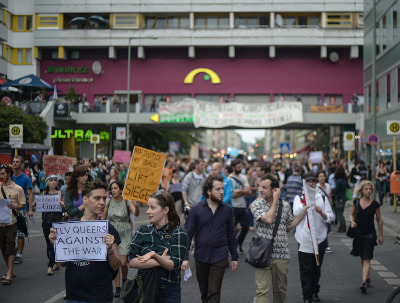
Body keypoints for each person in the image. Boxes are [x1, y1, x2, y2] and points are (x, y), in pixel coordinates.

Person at [49, 180, 121, 302]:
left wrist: (109, 250)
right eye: (97, 198)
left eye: (104, 198)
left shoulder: (108, 228)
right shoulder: (70, 227)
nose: (102, 202)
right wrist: (56, 245)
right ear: (85, 199)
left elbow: (115, 266)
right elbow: (63, 264)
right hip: (74, 295)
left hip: (100, 295)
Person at [251, 174, 309, 303]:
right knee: (261, 290)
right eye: (260, 186)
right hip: (262, 253)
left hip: (281, 254)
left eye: (264, 187)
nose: (260, 190)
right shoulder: (257, 204)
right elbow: (268, 219)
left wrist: (303, 213)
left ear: (274, 190)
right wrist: (276, 201)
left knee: (280, 290)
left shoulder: (286, 205)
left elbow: (289, 226)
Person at [182, 175, 238, 303]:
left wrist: (234, 256)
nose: (222, 192)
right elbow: (188, 234)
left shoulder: (227, 209)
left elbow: (231, 233)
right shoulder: (196, 209)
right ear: (208, 191)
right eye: (218, 189)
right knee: (205, 292)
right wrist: (185, 258)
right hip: (201, 255)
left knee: (214, 292)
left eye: (222, 189)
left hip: (220, 255)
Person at [129, 190, 188, 303]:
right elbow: (131, 261)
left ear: (165, 209)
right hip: (145, 287)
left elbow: (174, 265)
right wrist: (161, 260)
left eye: (152, 208)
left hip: (169, 290)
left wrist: (153, 255)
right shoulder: (143, 230)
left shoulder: (179, 233)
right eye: (148, 207)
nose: (147, 211)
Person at [293, 173, 334, 303]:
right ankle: (306, 295)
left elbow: (330, 218)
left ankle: (315, 291)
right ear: (304, 183)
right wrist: (305, 207)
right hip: (304, 239)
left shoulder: (322, 197)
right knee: (305, 269)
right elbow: (295, 213)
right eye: (308, 181)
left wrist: (321, 212)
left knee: (316, 267)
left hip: (319, 238)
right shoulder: (299, 198)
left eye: (313, 181)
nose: (311, 183)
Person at [103, 180, 140, 298]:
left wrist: (137, 205)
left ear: (121, 190)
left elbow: (136, 213)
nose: (113, 190)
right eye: (111, 188)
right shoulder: (108, 202)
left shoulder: (127, 201)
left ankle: (125, 280)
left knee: (123, 263)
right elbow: (103, 218)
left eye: (115, 188)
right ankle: (118, 287)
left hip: (125, 234)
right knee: (115, 261)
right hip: (112, 234)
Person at [349, 181, 383, 294]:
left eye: (370, 189)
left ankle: (363, 282)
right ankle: (367, 276)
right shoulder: (356, 202)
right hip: (359, 234)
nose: (368, 191)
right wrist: (352, 221)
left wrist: (381, 235)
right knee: (362, 257)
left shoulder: (375, 204)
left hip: (370, 235)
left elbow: (379, 220)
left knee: (366, 258)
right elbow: (351, 214)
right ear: (362, 190)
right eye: (366, 189)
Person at [0, 164, 26, 285]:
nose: (1, 176)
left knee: (10, 246)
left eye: (3, 173)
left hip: (12, 222)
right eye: (0, 174)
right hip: (0, 222)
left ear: (9, 173)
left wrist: (14, 206)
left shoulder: (18, 189)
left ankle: (9, 272)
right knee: (3, 248)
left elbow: (22, 204)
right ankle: (11, 270)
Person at [40, 175, 65, 275]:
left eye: (55, 180)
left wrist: (63, 205)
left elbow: (65, 209)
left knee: (53, 244)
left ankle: (50, 266)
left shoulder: (60, 193)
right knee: (48, 244)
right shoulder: (43, 194)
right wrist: (34, 204)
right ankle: (55, 262)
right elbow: (38, 205)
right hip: (46, 222)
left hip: (57, 222)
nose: (54, 182)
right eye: (51, 180)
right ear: (47, 183)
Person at [12, 156, 34, 265]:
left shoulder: (26, 178)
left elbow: (30, 195)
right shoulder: (9, 177)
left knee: (20, 233)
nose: (15, 164)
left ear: (21, 164)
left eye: (17, 162)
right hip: (10, 209)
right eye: (14, 162)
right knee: (10, 232)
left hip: (22, 209)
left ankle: (19, 254)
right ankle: (15, 247)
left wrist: (30, 210)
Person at [229, 159, 251, 253]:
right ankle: (231, 247)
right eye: (238, 167)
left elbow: (249, 192)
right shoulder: (229, 179)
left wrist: (239, 191)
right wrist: (243, 192)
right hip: (233, 206)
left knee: (246, 226)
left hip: (242, 206)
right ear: (233, 167)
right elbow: (231, 194)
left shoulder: (243, 177)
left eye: (241, 167)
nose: (240, 168)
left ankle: (239, 243)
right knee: (232, 229)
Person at [316, 170, 333, 253]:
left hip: (327, 208)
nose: (322, 178)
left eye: (323, 176)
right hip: (319, 210)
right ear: (317, 178)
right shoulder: (316, 187)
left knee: (328, 228)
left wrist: (330, 207)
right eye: (320, 176)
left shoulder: (328, 186)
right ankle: (325, 245)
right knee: (324, 227)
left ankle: (324, 243)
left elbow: (329, 197)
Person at [333, 166, 349, 232]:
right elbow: (348, 186)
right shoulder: (345, 180)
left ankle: (342, 227)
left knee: (339, 214)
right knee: (341, 213)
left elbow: (336, 190)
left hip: (338, 198)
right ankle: (342, 226)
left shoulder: (338, 180)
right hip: (344, 198)